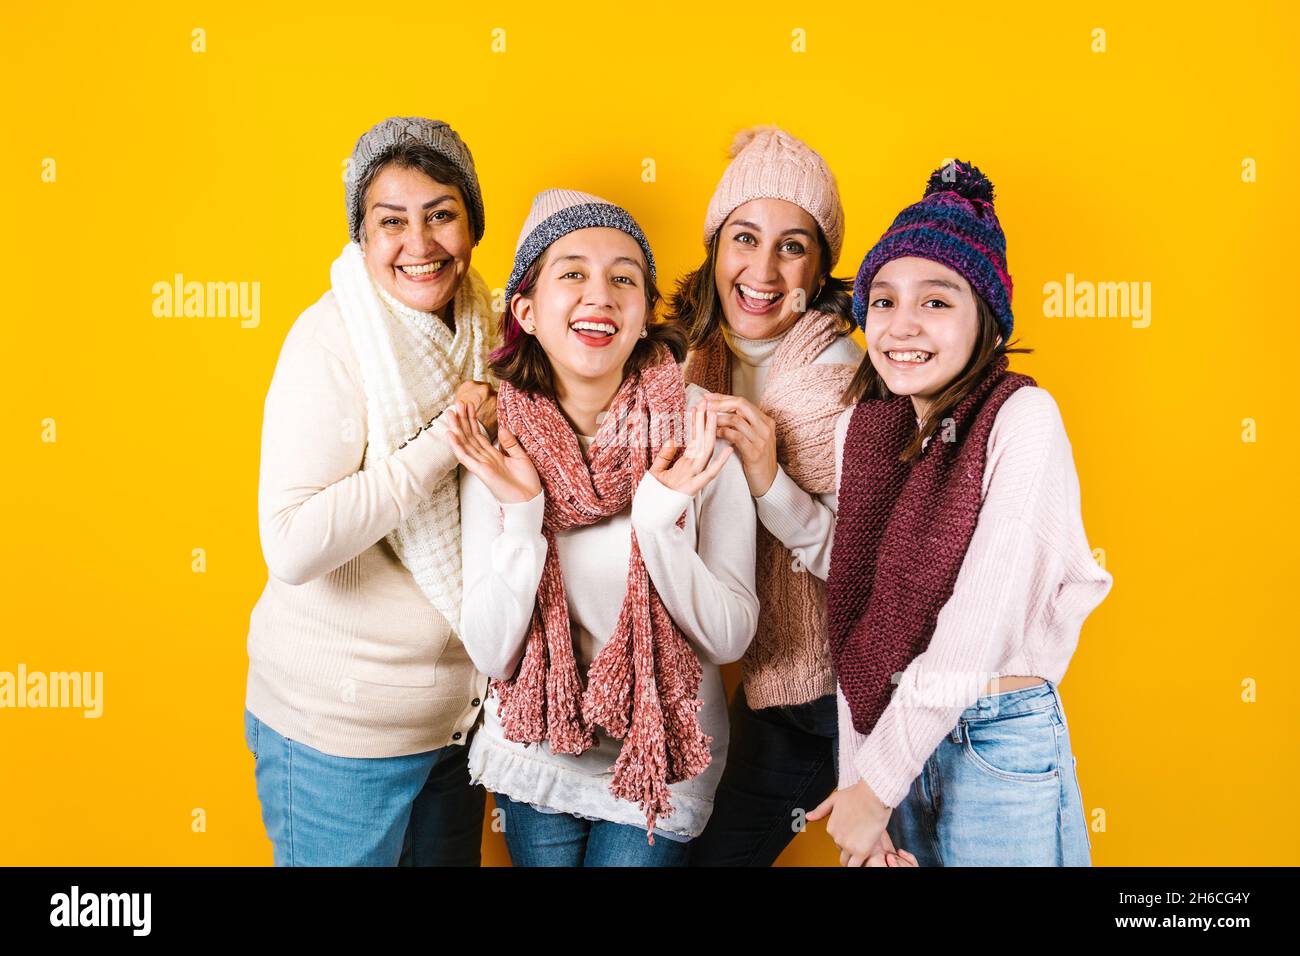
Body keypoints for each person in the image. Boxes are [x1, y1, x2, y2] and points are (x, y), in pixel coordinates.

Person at [807, 160, 1112, 866]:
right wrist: (862, 781)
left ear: (987, 322)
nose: (900, 325)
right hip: (893, 741)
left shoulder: (1025, 417)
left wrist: (875, 784)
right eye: (882, 301)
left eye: (936, 302)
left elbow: (981, 619)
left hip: (997, 741)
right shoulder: (870, 429)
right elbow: (858, 618)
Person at [449, 189, 759, 865]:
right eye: (573, 274)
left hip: (664, 760)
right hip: (538, 751)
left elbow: (732, 636)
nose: (602, 294)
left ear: (646, 314)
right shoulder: (500, 441)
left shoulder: (699, 430)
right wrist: (526, 514)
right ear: (526, 311)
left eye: (625, 278)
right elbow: (492, 653)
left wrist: (657, 523)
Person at [242, 117, 498, 866]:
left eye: (441, 214)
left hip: (457, 727)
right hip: (338, 738)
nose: (419, 245)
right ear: (362, 237)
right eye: (392, 222)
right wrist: (443, 446)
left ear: (473, 225)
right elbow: (292, 544)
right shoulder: (330, 341)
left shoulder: (487, 327)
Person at [673, 127, 863, 866]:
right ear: (716, 250)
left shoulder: (845, 379)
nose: (762, 269)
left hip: (825, 693)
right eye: (744, 238)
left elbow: (866, 567)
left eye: (792, 246)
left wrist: (768, 479)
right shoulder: (685, 359)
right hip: (738, 677)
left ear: (819, 272)